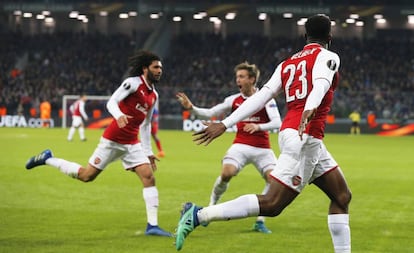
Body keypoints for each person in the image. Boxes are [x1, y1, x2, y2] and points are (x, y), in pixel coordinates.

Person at [175, 14, 352, 253]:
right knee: (272, 204)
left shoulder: (286, 64)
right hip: (304, 136)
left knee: (341, 196)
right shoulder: (329, 57)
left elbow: (259, 97)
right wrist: (310, 106)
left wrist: (226, 123)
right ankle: (198, 214)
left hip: (301, 136)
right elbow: (320, 82)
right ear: (330, 37)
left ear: (305, 36)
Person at [25, 50, 172, 237]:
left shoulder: (154, 96)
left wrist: (148, 151)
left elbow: (146, 124)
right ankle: (48, 159)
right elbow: (112, 102)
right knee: (87, 176)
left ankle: (152, 226)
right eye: (156, 67)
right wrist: (119, 116)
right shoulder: (133, 83)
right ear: (145, 69)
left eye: (161, 67)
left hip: (131, 143)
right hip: (112, 141)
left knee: (149, 177)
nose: (160, 70)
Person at [176, 61, 282, 234]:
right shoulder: (233, 100)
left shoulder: (265, 98)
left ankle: (260, 221)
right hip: (240, 144)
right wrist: (192, 108)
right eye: (237, 77)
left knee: (274, 181)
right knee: (227, 173)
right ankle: (210, 207)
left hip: (263, 149)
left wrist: (259, 127)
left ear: (252, 79)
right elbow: (211, 113)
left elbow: (277, 122)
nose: (237, 80)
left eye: (241, 77)